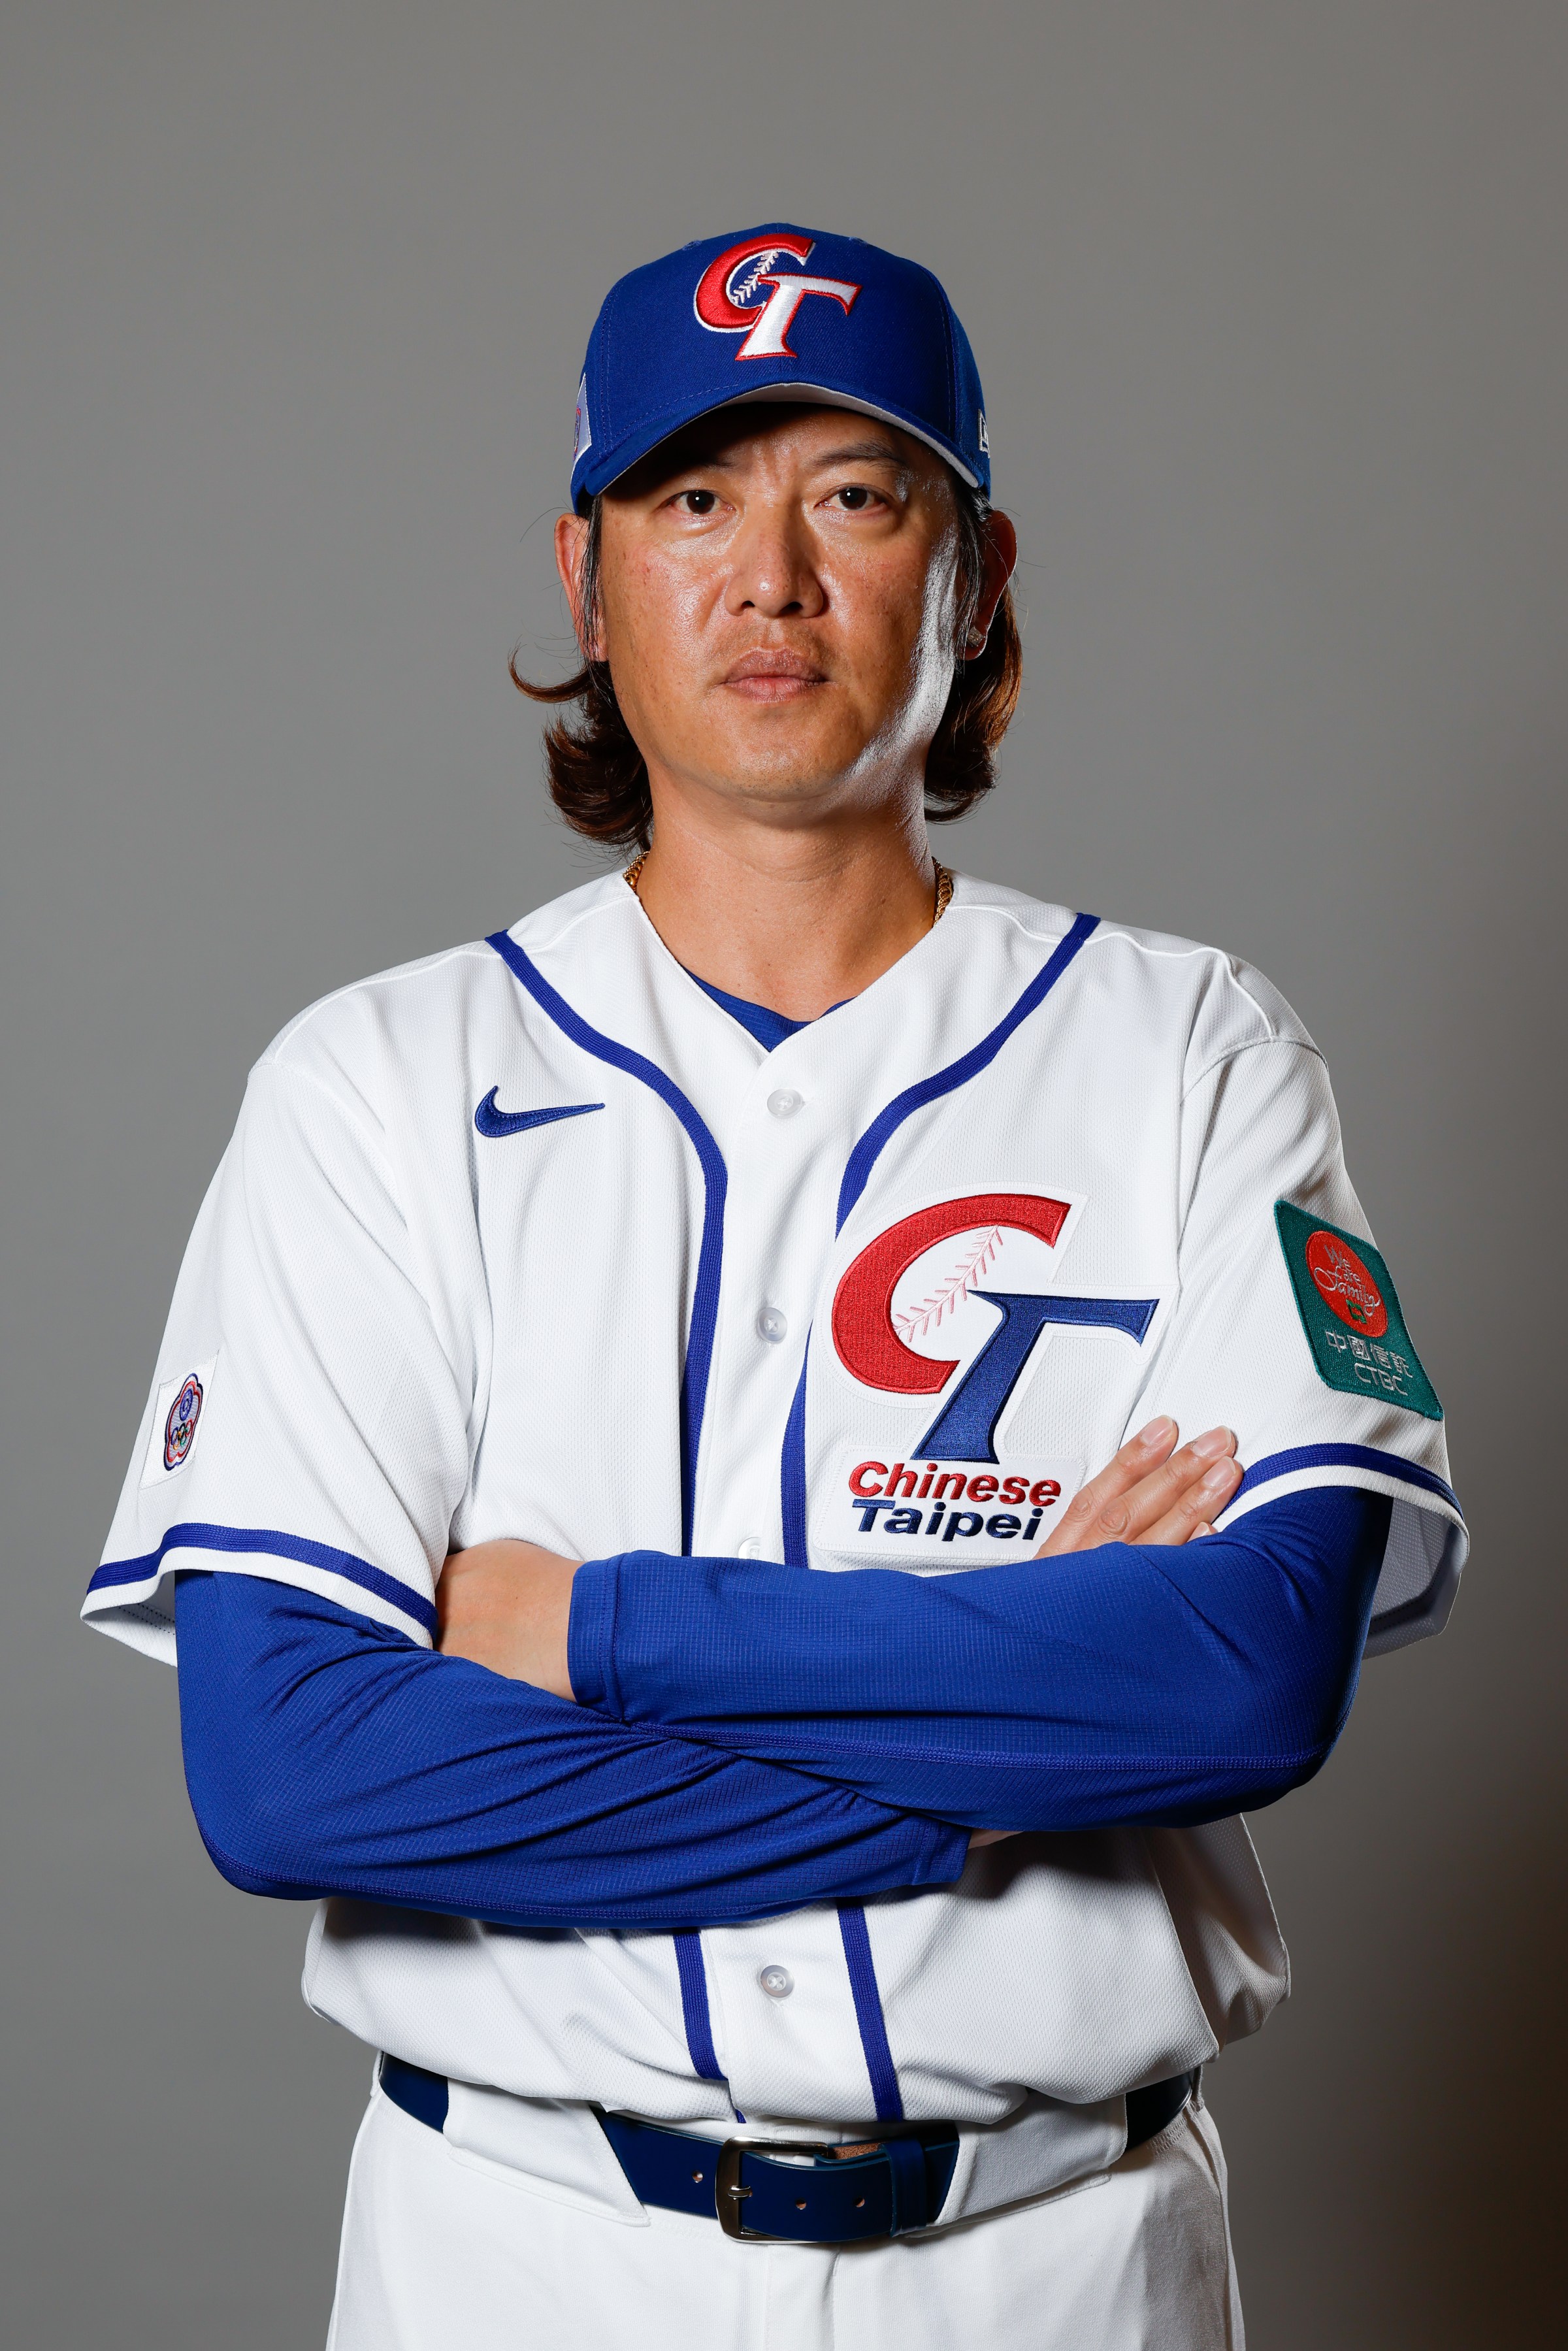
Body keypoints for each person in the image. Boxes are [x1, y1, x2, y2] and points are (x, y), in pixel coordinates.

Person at [86, 225, 1465, 2350]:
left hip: (1060, 2263)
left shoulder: (1194, 1055)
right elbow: (298, 1778)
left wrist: (593, 1628)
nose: (773, 576)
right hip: (520, 2256)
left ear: (974, 568)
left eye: (857, 493)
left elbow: (1243, 1679)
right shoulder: (375, 1085)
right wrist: (1014, 1750)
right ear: (587, 570)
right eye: (697, 494)